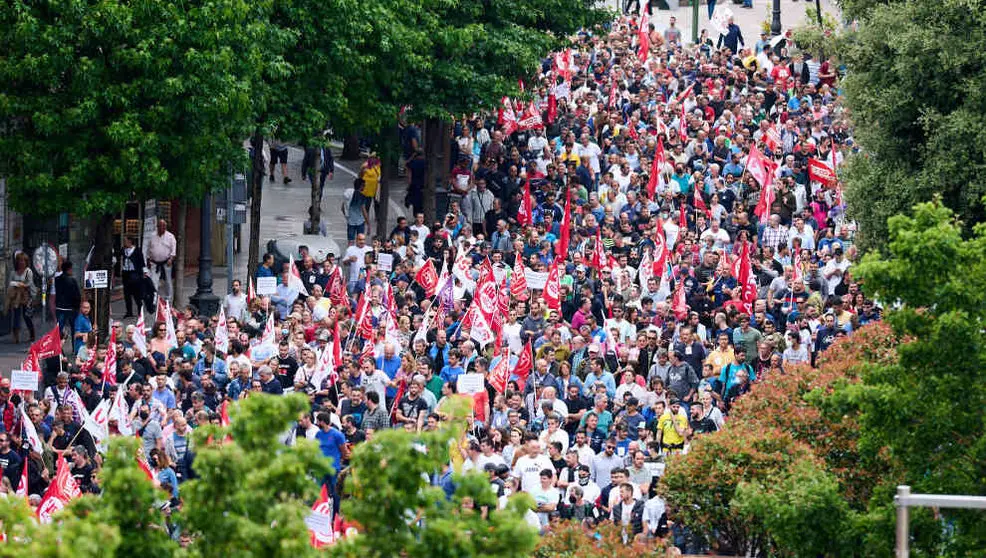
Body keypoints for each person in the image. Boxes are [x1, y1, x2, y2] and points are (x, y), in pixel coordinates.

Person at [143, 219, 177, 303]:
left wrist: (171, 259)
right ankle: (153, 299)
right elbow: (148, 249)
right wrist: (148, 259)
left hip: (166, 262)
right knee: (154, 281)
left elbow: (174, 250)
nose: (162, 228)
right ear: (157, 227)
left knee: (168, 281)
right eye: (160, 226)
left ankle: (169, 299)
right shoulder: (152, 236)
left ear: (165, 227)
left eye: (163, 226)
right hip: (154, 262)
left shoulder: (170, 236)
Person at [6, 251, 37, 343]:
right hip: (16, 297)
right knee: (16, 316)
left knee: (26, 316)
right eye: (19, 260)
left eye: (23, 261)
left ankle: (32, 334)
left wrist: (19, 284)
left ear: (26, 262)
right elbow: (10, 283)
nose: (21, 262)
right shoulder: (13, 272)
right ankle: (16, 336)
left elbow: (29, 283)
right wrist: (19, 284)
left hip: (26, 297)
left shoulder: (28, 271)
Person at [119, 235, 146, 318]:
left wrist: (144, 272)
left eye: (125, 241)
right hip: (126, 273)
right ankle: (129, 312)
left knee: (136, 294)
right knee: (127, 294)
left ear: (130, 241)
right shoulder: (123, 250)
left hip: (135, 273)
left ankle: (140, 311)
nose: (124, 243)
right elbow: (118, 256)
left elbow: (141, 262)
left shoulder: (137, 250)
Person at [54, 260, 82, 337]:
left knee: (59, 328)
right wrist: (77, 306)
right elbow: (76, 295)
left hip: (60, 308)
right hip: (71, 308)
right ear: (69, 269)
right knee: (74, 328)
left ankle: (58, 346)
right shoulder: (72, 280)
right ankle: (74, 347)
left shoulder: (56, 280)